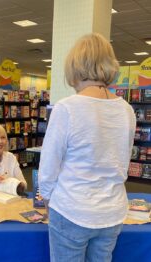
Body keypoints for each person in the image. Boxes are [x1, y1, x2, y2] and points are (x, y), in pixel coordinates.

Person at [38, 33, 136, 262]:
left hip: (72, 208)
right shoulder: (126, 110)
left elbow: (48, 166)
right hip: (112, 210)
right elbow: (123, 161)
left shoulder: (67, 108)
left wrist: (48, 200)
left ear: (74, 66)